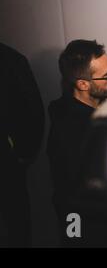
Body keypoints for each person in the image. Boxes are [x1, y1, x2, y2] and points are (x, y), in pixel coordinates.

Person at [46, 39, 107, 246]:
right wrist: (75, 237)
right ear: (83, 84)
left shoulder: (102, 106)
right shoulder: (69, 132)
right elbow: (70, 200)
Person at [0, 43, 45, 247]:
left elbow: (33, 112)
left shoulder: (10, 60)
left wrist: (20, 153)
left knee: (15, 223)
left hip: (7, 165)